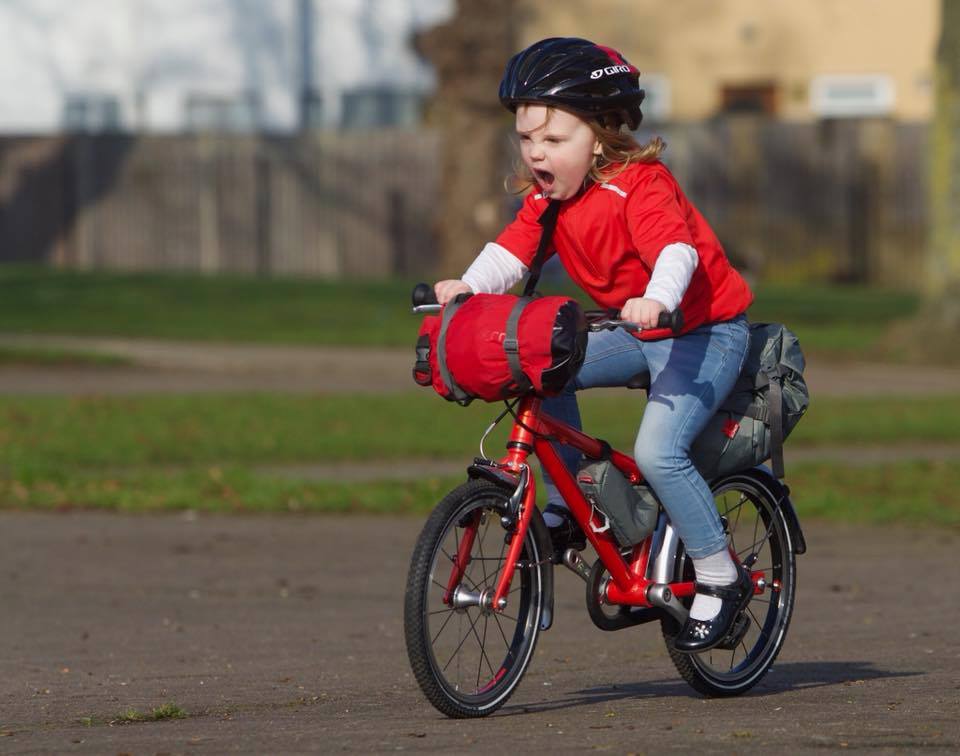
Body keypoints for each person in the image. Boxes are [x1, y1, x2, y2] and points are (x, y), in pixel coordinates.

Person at [433, 38, 753, 654]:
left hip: (702, 330)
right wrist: (467, 286)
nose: (536, 153)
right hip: (636, 332)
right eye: (528, 139)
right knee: (537, 368)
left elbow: (676, 251)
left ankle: (720, 576)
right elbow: (510, 251)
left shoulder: (641, 184)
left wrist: (657, 297)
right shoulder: (549, 199)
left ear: (602, 136)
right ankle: (569, 509)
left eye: (553, 141)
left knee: (660, 453)